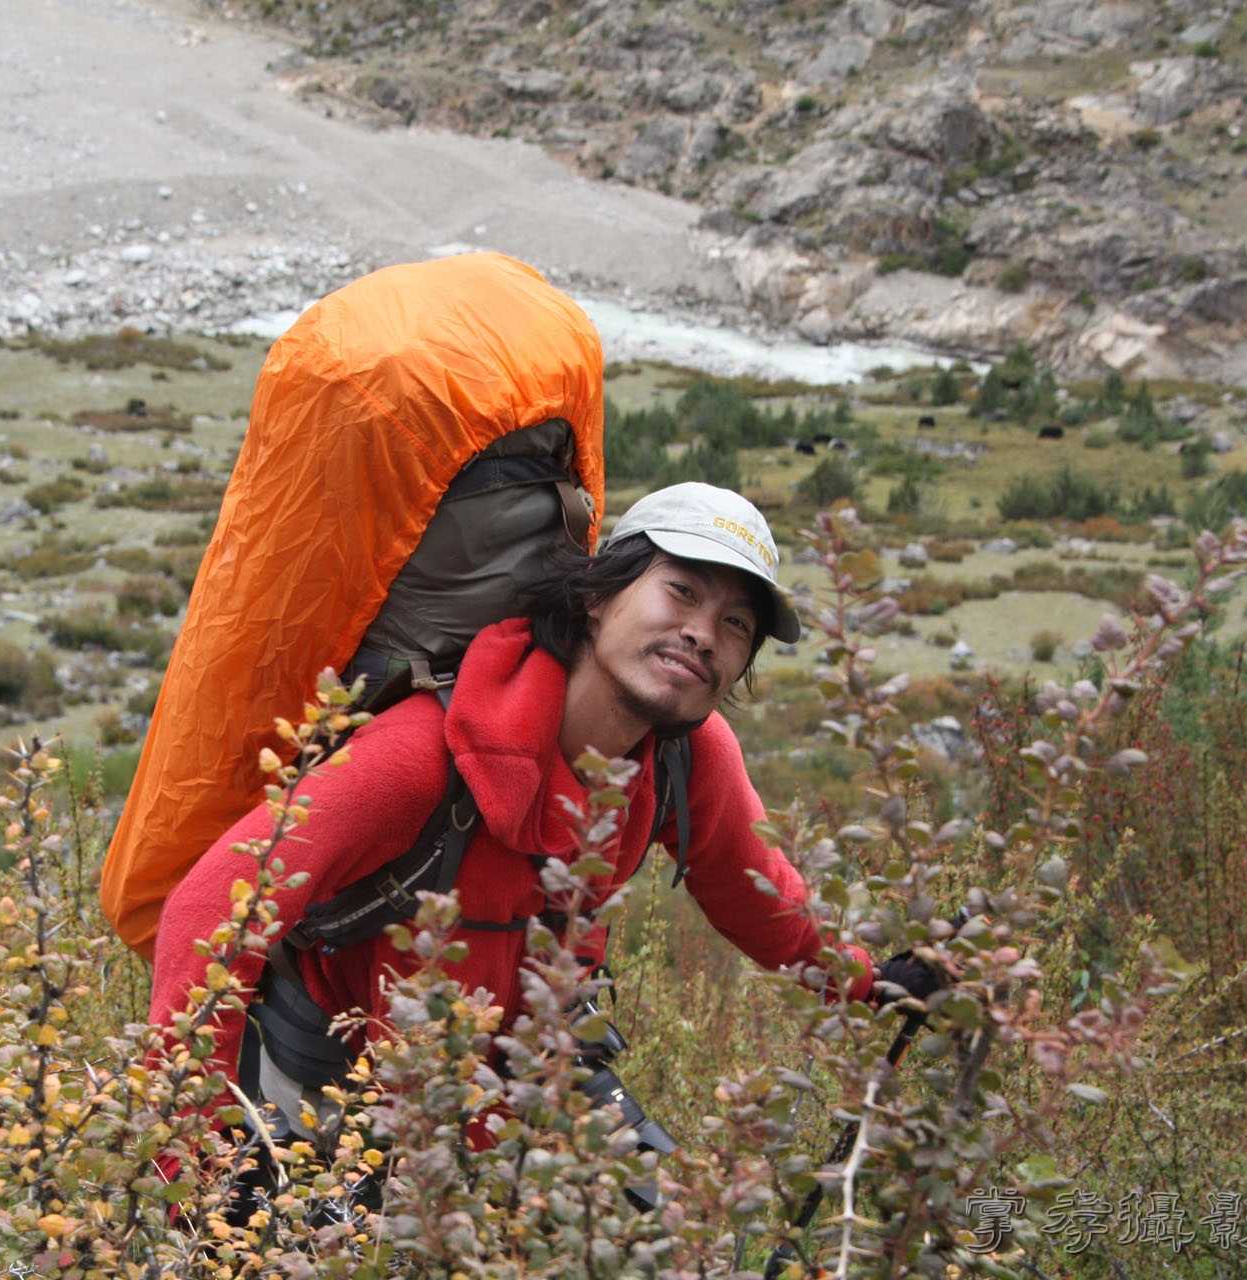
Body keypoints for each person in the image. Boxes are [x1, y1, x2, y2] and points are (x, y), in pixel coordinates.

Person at [148, 480, 941, 1145]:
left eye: (736, 623)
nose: (703, 634)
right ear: (597, 597)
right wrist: (199, 1156)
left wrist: (870, 982)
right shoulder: (423, 754)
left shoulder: (688, 755)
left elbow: (758, 896)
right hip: (334, 1099)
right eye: (682, 591)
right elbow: (209, 913)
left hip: (516, 1093)